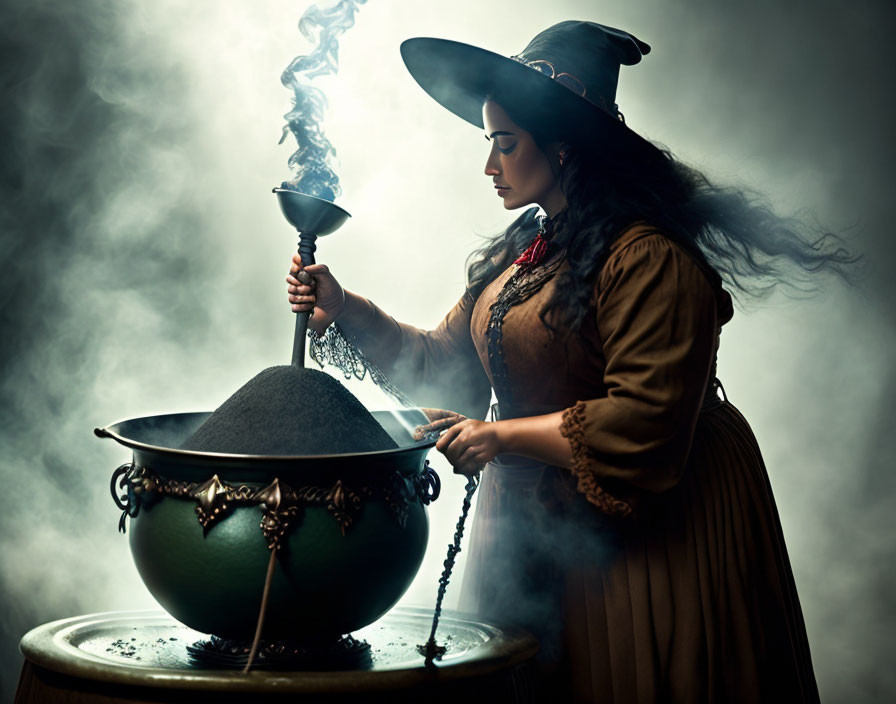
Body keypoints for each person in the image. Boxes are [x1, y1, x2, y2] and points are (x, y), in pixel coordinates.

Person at [286, 21, 855, 703]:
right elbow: (446, 366)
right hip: (534, 524)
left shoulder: (648, 258)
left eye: (506, 143)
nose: (490, 165)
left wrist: (500, 436)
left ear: (563, 148)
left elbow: (647, 421)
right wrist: (344, 305)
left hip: (649, 535)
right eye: (489, 143)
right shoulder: (524, 254)